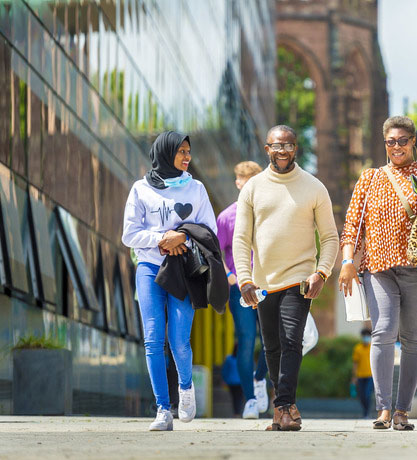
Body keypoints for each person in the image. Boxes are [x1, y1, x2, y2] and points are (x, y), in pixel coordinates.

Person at [233, 125, 339, 432]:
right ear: (267, 149)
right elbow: (241, 238)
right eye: (276, 146)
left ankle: (282, 407)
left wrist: (322, 271)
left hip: (300, 277)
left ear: (296, 149)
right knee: (271, 347)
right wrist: (244, 278)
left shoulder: (314, 186)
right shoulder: (252, 188)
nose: (282, 151)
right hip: (263, 280)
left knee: (292, 341)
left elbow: (330, 237)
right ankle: (286, 406)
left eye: (289, 145)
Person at [338, 115, 417, 431]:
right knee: (383, 331)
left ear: (412, 143)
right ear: (385, 144)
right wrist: (346, 262)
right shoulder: (369, 179)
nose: (396, 147)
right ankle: (383, 408)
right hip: (378, 268)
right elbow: (352, 225)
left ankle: (402, 411)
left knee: (413, 340)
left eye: (402, 141)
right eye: (390, 141)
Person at [122, 131, 217, 431]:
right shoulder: (140, 189)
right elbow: (129, 234)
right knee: (153, 339)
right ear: (165, 153)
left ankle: (185, 390)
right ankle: (163, 409)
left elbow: (209, 231)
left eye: (189, 152)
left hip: (183, 270)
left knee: (178, 340)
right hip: (149, 268)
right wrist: (163, 239)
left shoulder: (196, 188)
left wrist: (184, 236)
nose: (187, 157)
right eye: (181, 152)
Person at [216, 160, 270, 419]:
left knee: (274, 339)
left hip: (268, 286)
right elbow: (214, 252)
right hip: (240, 288)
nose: (249, 185)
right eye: (244, 180)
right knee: (246, 341)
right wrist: (228, 275)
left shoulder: (269, 214)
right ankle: (250, 399)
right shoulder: (227, 217)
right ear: (238, 183)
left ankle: (260, 378)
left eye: (253, 181)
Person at [351, 328, 374, 418]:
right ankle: (365, 412)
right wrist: (354, 377)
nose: (366, 338)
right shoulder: (358, 348)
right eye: (364, 336)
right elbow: (355, 363)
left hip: (370, 376)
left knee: (367, 394)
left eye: (367, 336)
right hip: (360, 376)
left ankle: (367, 413)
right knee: (362, 396)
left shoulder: (373, 347)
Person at [222, 344, 245, 416]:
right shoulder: (243, 358)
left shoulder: (229, 359)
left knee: (234, 398)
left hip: (231, 382)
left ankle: (236, 413)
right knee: (240, 398)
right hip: (241, 382)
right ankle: (238, 412)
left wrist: (224, 380)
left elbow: (224, 371)